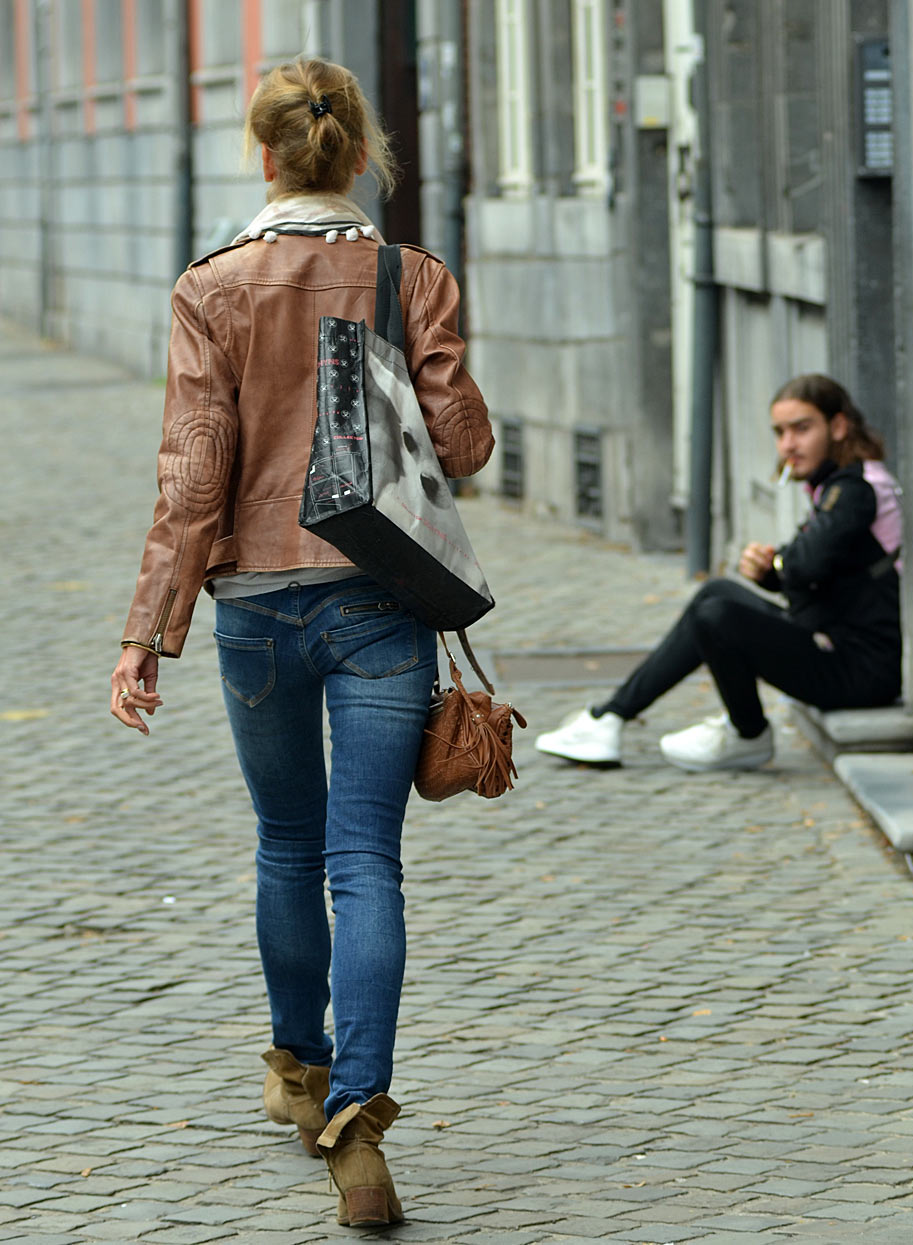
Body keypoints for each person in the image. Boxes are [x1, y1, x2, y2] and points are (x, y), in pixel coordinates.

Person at [109, 57, 493, 1229]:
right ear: (359, 153)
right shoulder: (410, 274)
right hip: (379, 596)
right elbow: (464, 444)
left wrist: (146, 635)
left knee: (287, 845)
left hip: (259, 605)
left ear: (264, 156)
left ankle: (298, 1068)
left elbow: (194, 473)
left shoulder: (211, 287)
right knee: (363, 862)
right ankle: (360, 1124)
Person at [535, 374, 902, 771]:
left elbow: (805, 565)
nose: (788, 445)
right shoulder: (840, 484)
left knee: (718, 617)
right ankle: (610, 717)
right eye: (780, 432)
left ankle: (746, 733)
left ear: (839, 426)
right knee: (716, 594)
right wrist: (771, 570)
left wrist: (777, 562)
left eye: (802, 429)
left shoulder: (856, 490)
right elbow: (817, 571)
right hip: (835, 646)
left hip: (860, 671)